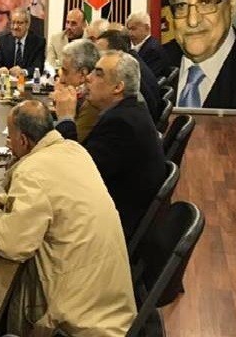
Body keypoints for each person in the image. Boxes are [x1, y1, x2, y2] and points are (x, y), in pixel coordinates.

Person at [0, 100, 136, 336]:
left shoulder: (32, 171)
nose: (9, 144)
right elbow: (57, 200)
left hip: (77, 323)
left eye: (10, 138)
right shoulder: (74, 150)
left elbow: (12, 245)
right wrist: (9, 202)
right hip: (110, 302)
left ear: (23, 140)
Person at [51, 51, 166, 237]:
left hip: (111, 228)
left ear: (118, 87)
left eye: (98, 74)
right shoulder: (127, 111)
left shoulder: (122, 124)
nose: (88, 78)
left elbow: (76, 173)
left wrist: (66, 118)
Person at [95, 29, 163, 122]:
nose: (96, 58)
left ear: (116, 52)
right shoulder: (134, 61)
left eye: (100, 54)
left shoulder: (126, 74)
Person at [53, 39, 101, 142]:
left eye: (65, 72)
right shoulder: (83, 96)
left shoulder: (91, 104)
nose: (61, 79)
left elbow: (70, 144)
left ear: (83, 74)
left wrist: (65, 116)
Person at [0, 8, 46, 76]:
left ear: (27, 25)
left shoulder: (38, 42)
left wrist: (23, 72)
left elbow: (38, 67)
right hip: (7, 81)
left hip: (27, 81)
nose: (15, 27)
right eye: (13, 23)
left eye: (19, 23)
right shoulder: (3, 41)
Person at [125, 12, 171, 76]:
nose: (130, 33)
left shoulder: (153, 50)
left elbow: (147, 78)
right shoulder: (137, 46)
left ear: (147, 28)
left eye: (133, 29)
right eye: (129, 29)